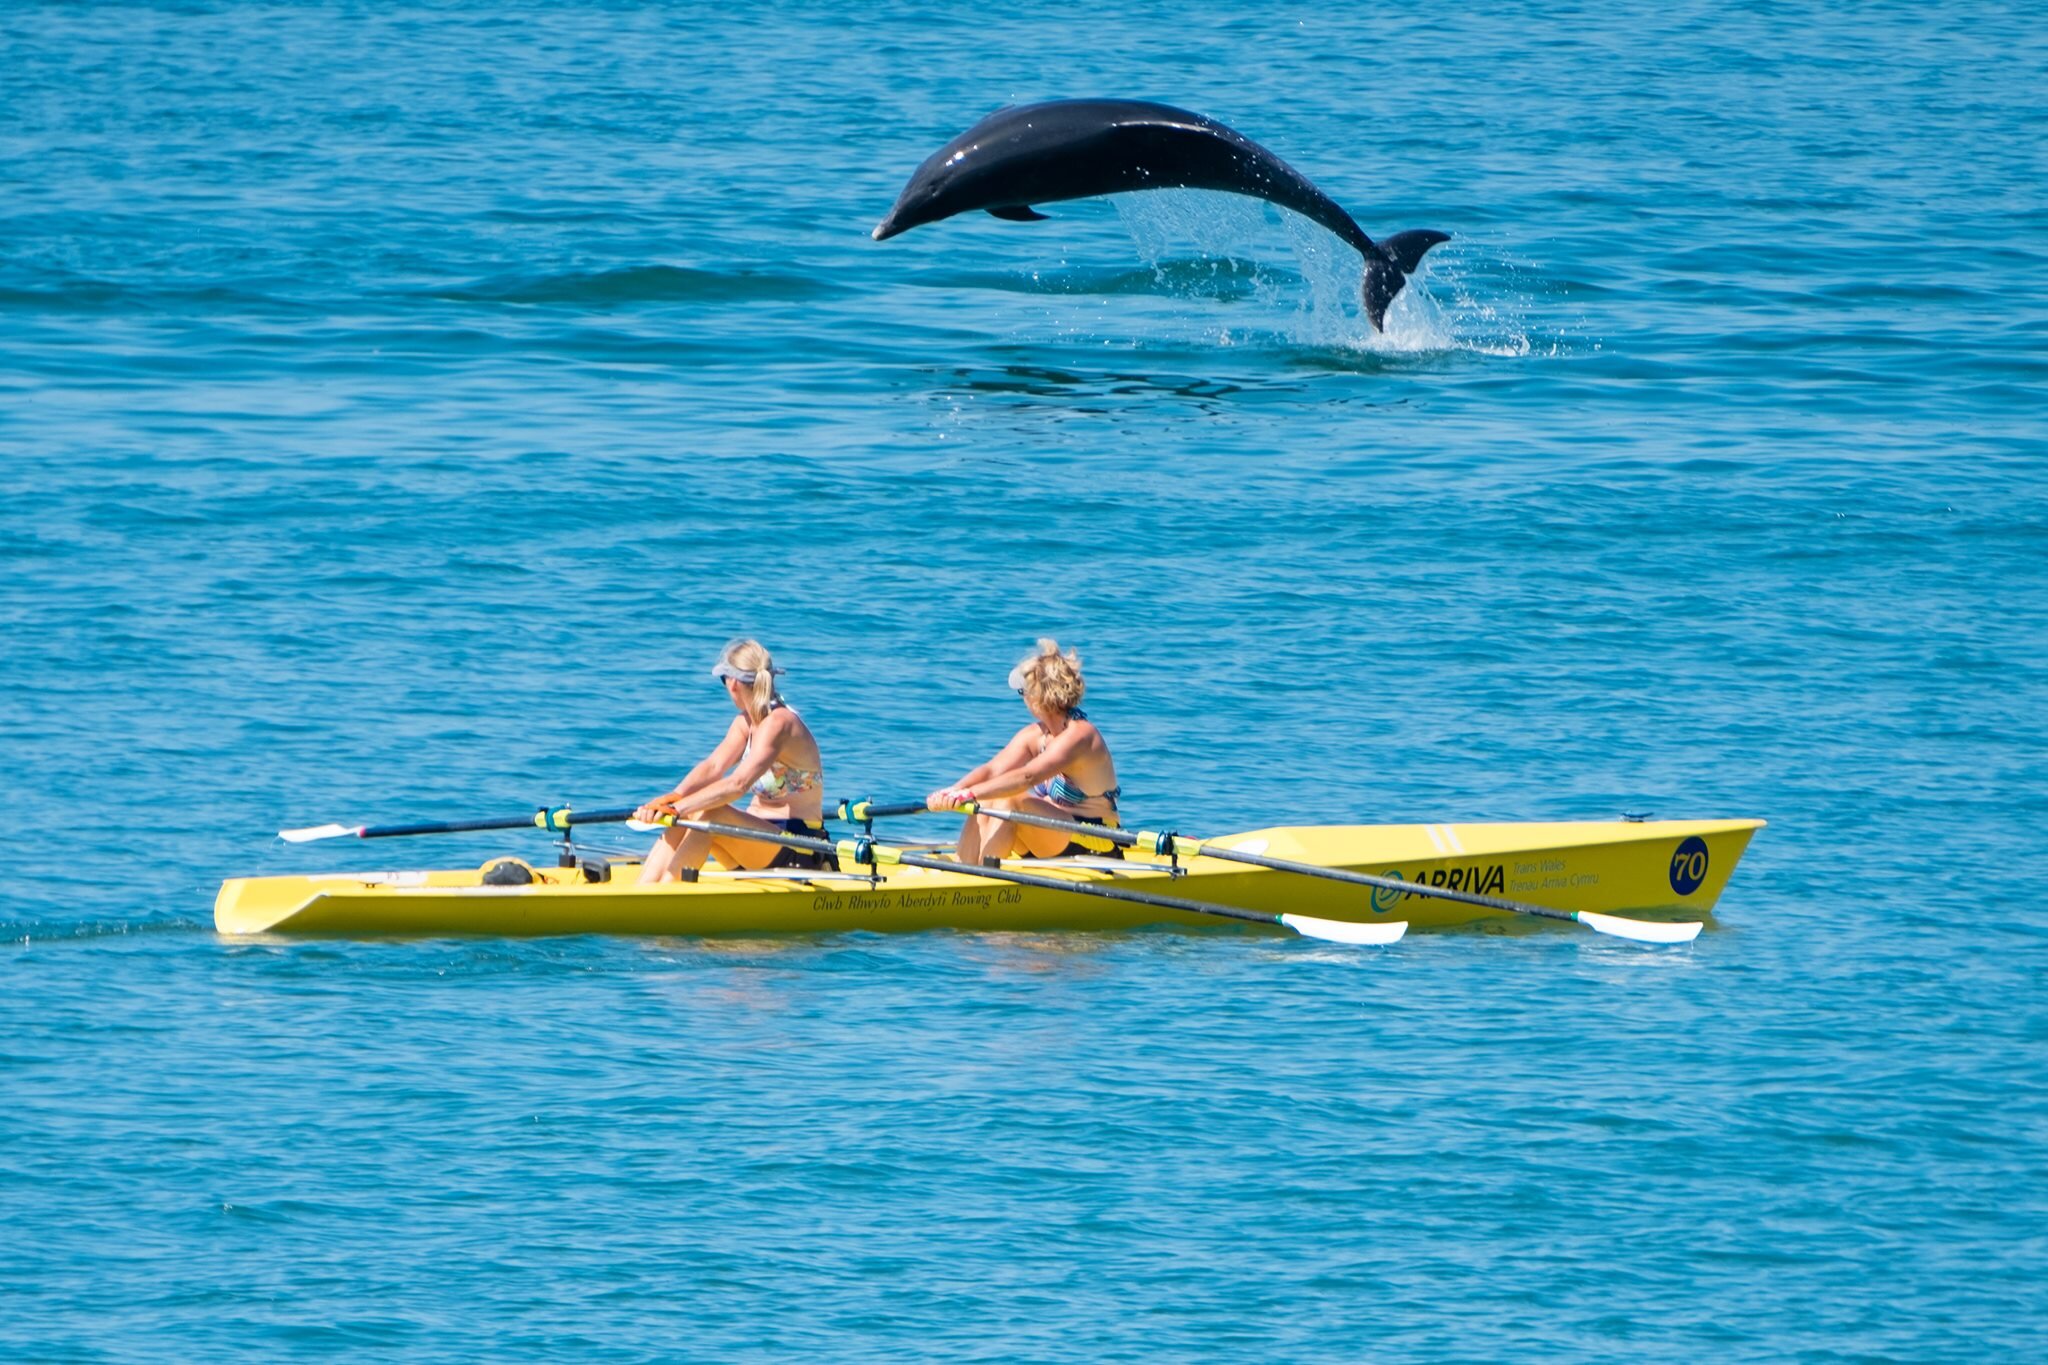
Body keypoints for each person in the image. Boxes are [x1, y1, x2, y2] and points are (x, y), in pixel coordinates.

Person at [635, 639, 833, 883]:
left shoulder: (779, 724)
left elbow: (738, 783)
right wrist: (672, 799)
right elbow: (713, 767)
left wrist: (678, 809)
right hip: (756, 847)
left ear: (733, 683)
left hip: (800, 849)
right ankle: (645, 889)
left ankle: (664, 896)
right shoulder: (746, 723)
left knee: (710, 812)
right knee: (690, 811)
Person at [926, 638, 1122, 865]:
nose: (1023, 698)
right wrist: (954, 791)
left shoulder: (1080, 736)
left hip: (1095, 840)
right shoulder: (1036, 735)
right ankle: (963, 871)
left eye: (1023, 691)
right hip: (1049, 837)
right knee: (987, 801)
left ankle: (982, 884)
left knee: (1008, 800)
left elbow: (1027, 777)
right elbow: (991, 771)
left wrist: (971, 794)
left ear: (1040, 696)